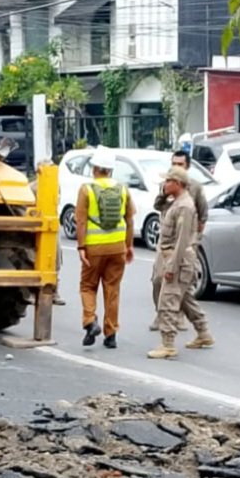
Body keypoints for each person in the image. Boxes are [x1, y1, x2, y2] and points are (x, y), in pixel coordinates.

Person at [149, 167, 213, 359]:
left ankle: (167, 344)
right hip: (177, 258)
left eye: (168, 181)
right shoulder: (176, 202)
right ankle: (203, 332)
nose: (164, 184)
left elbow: (182, 240)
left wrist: (171, 266)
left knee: (167, 300)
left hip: (179, 260)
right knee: (184, 298)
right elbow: (158, 206)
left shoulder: (184, 206)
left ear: (177, 184)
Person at [76, 146, 135, 349]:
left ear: (94, 168)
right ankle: (111, 334)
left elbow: (81, 222)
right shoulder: (122, 189)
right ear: (110, 170)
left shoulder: (87, 190)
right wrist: (129, 246)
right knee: (112, 290)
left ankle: (90, 322)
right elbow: (129, 219)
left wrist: (81, 247)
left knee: (87, 286)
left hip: (94, 249)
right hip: (117, 248)